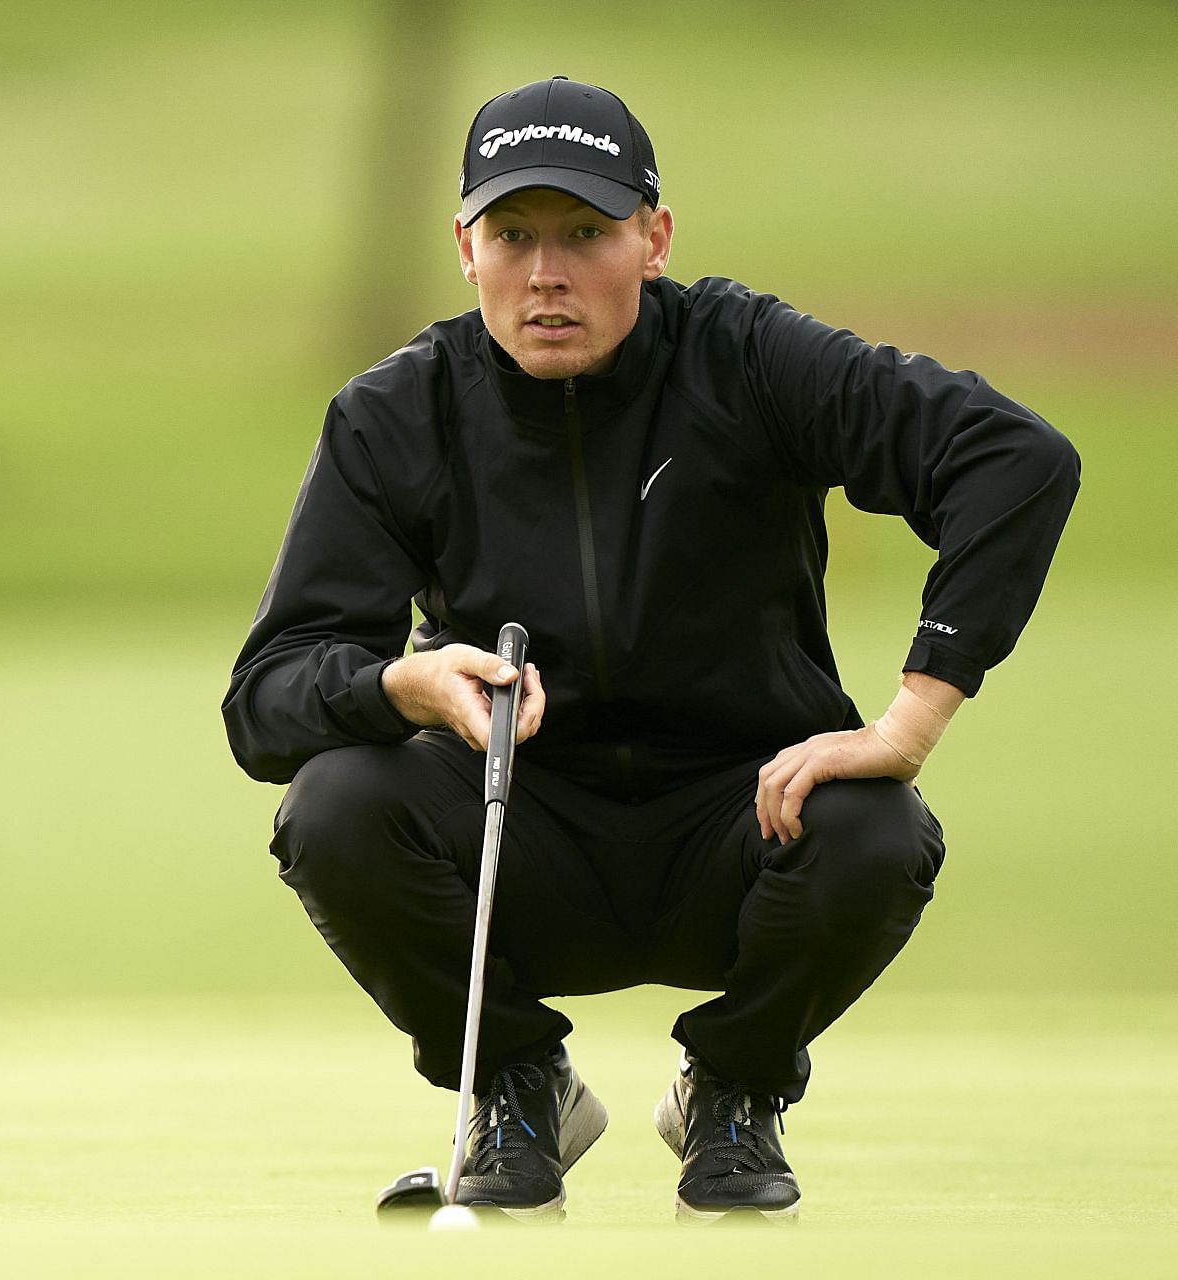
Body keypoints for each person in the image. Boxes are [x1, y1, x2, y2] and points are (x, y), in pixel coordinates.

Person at [220, 77, 1079, 1223]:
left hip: (745, 821)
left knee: (878, 826)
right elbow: (265, 699)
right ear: (464, 247)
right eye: (513, 235)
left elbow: (1016, 458)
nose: (546, 273)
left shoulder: (750, 357)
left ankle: (735, 1088)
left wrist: (908, 722)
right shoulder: (398, 414)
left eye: (586, 233)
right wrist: (404, 685)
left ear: (654, 238)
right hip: (516, 839)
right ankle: (519, 1083)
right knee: (333, 804)